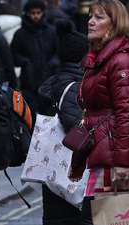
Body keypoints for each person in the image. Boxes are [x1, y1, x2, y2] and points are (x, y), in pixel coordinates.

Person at [69, 0, 129, 224]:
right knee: (98, 218)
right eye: (90, 16)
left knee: (103, 218)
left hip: (114, 154)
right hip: (104, 149)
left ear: (114, 24)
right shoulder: (98, 58)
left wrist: (124, 162)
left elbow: (127, 114)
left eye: (99, 17)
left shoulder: (122, 60)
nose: (90, 22)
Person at [37, 17, 89, 225]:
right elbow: (78, 130)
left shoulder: (59, 82)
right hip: (69, 172)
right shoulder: (73, 88)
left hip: (57, 175)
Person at [11, 0, 58, 110]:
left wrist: (51, 64)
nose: (36, 16)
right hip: (29, 82)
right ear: (27, 13)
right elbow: (13, 54)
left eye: (38, 13)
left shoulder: (50, 32)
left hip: (48, 80)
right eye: (33, 13)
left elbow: (58, 52)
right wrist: (26, 63)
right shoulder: (21, 34)